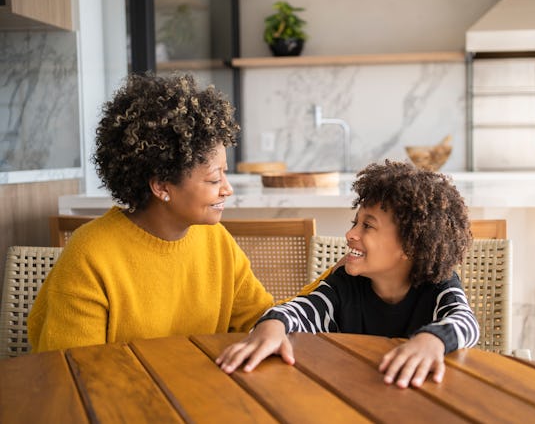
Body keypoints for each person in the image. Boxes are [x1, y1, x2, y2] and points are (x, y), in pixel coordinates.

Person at [28, 73, 274, 352]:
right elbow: (73, 373)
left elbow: (263, 318)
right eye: (214, 179)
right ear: (161, 185)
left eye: (225, 175)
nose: (227, 189)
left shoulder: (216, 241)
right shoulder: (90, 255)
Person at [216, 160, 480, 389]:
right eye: (355, 222)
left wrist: (432, 340)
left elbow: (465, 321)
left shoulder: (438, 285)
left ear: (410, 245)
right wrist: (272, 325)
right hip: (348, 392)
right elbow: (303, 309)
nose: (351, 234)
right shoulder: (344, 283)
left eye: (367, 225)